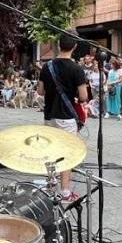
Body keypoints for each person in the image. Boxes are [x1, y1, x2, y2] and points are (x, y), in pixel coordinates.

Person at [37, 32, 88, 201]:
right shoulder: (76, 69)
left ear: (59, 45)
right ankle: (65, 191)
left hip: (49, 114)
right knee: (67, 152)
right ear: (74, 46)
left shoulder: (47, 66)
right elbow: (83, 97)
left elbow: (40, 91)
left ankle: (50, 185)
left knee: (51, 149)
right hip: (66, 117)